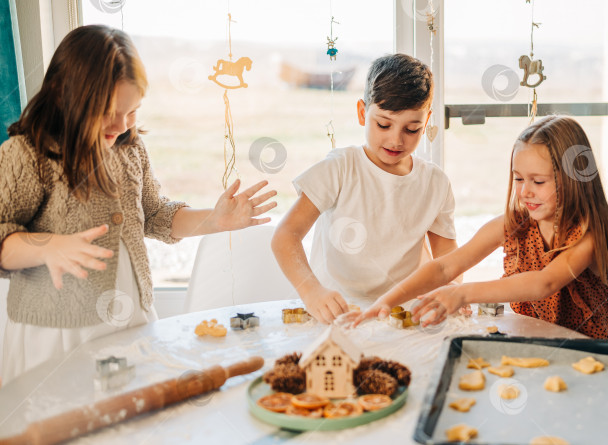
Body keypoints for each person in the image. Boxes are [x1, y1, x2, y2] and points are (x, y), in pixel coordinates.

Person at [0, 25, 277, 383]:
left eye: (132, 111)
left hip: (129, 319)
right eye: (108, 111)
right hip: (57, 332)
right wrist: (48, 246)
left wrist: (215, 220)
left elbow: (156, 215)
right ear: (61, 93)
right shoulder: (27, 155)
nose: (121, 124)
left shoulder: (129, 149)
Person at [353, 115, 608, 339]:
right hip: (541, 347)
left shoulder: (588, 234)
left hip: (595, 355)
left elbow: (545, 282)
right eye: (518, 179)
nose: (525, 191)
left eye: (538, 182)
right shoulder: (515, 224)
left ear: (574, 179)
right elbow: (445, 267)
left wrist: (461, 293)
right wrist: (385, 302)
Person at [272, 54, 458, 324]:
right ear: (362, 113)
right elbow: (285, 236)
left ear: (426, 121)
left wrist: (450, 288)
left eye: (412, 129)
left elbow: (447, 260)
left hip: (403, 314)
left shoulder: (435, 183)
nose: (396, 140)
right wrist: (310, 291)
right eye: (383, 124)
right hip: (336, 312)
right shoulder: (339, 168)